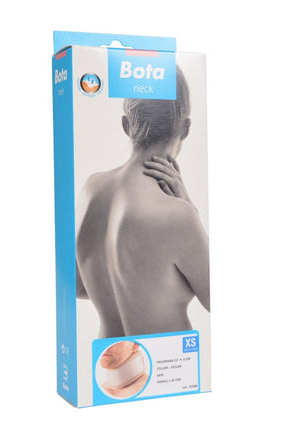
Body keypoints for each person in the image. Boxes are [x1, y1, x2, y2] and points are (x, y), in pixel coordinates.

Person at [76, 67, 210, 338]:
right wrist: (190, 207)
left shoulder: (92, 189)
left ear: (126, 125)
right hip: (166, 360)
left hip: (108, 359)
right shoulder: (178, 215)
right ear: (185, 128)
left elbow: (78, 286)